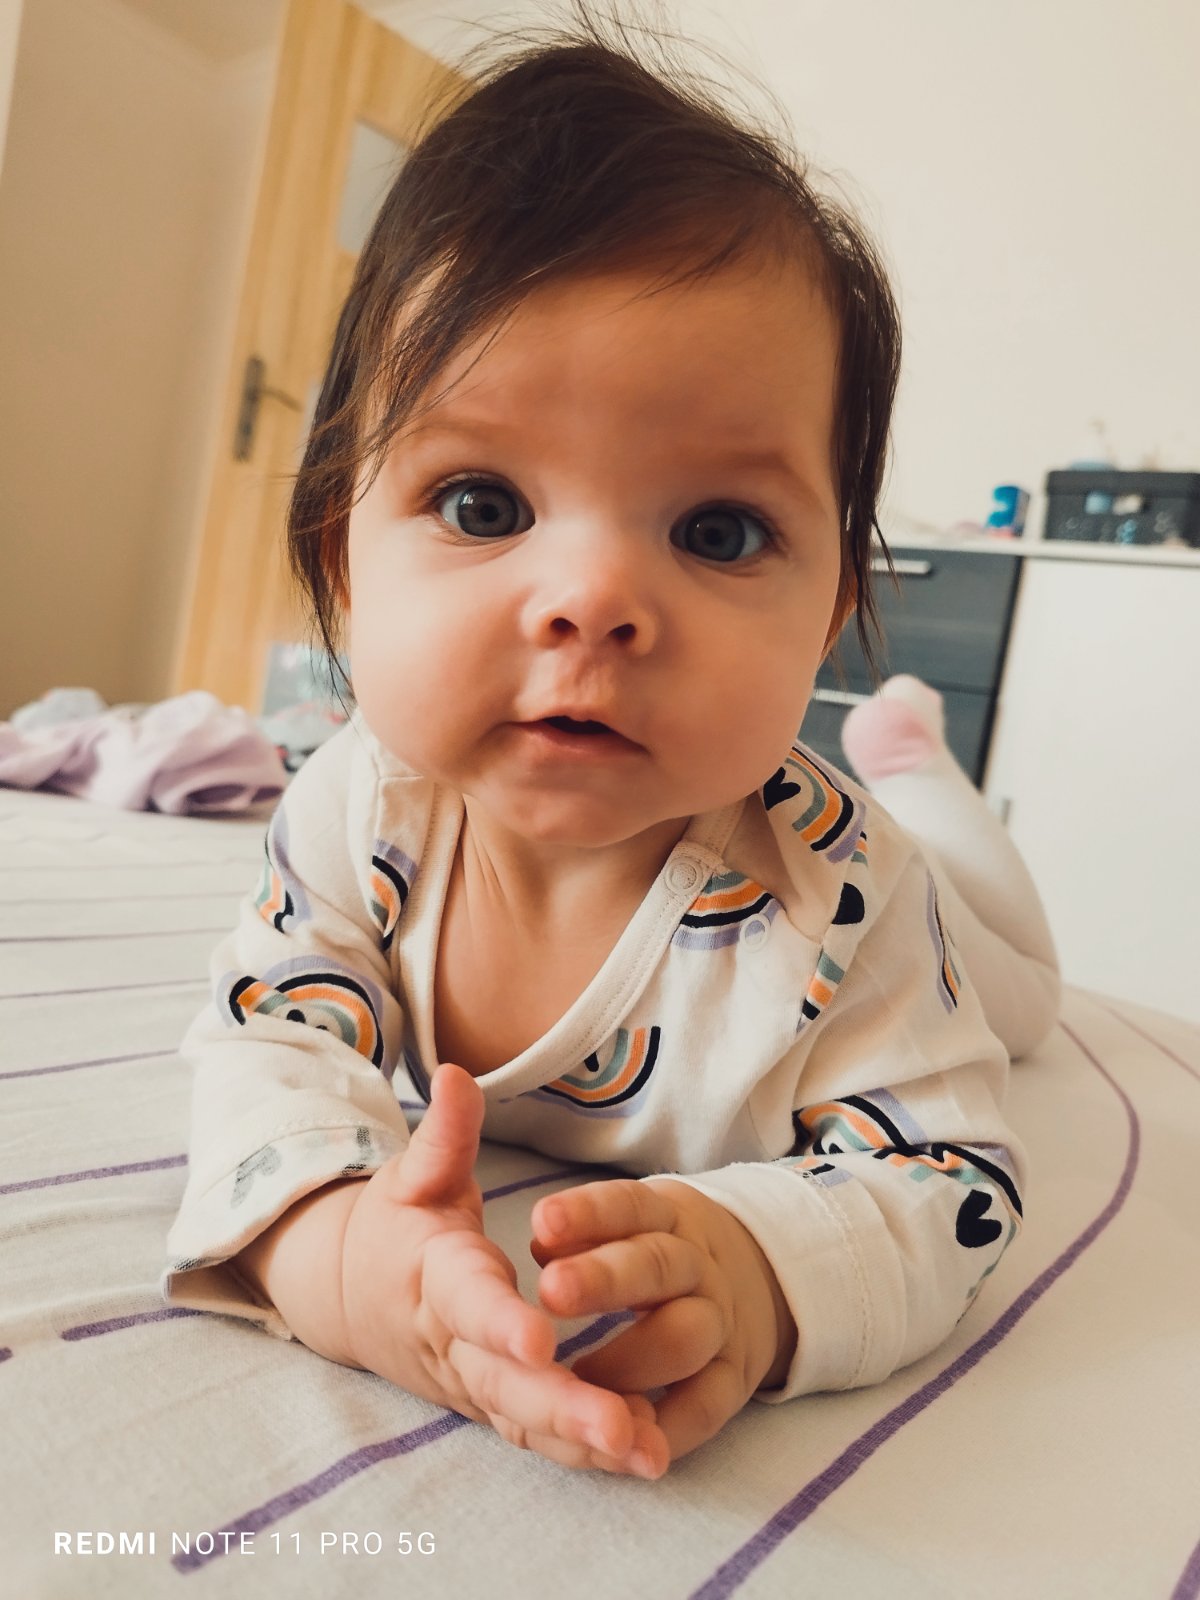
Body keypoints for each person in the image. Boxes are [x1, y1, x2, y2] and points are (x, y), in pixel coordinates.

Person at [163, 19, 1059, 1484]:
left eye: (717, 530)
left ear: (830, 613)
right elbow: (271, 1043)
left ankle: (927, 776)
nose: (590, 599)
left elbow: (948, 1177)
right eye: (483, 504)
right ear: (341, 555)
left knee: (1021, 970)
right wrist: (337, 1251)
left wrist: (766, 1272)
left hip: (963, 931)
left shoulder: (845, 903)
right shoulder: (359, 810)